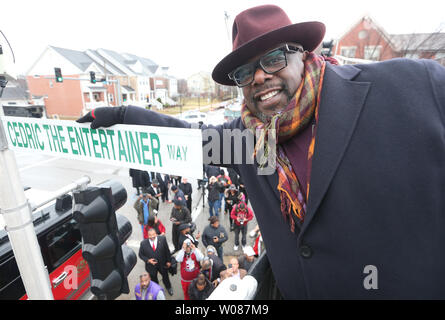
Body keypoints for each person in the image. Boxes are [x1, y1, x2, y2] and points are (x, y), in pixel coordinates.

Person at [78, 4, 445, 299]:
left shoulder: (411, 87)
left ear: (302, 53)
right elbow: (188, 138)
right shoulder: (247, 140)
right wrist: (124, 113)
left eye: (273, 59)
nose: (258, 77)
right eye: (245, 71)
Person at [138, 228, 174, 296]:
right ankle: (157, 290)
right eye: (150, 235)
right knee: (154, 280)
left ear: (156, 234)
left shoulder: (162, 239)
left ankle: (168, 287)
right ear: (147, 236)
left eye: (153, 234)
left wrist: (169, 261)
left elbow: (167, 251)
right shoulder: (143, 244)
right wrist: (148, 260)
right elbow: (140, 255)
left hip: (162, 264)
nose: (152, 237)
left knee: (165, 277)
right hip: (151, 267)